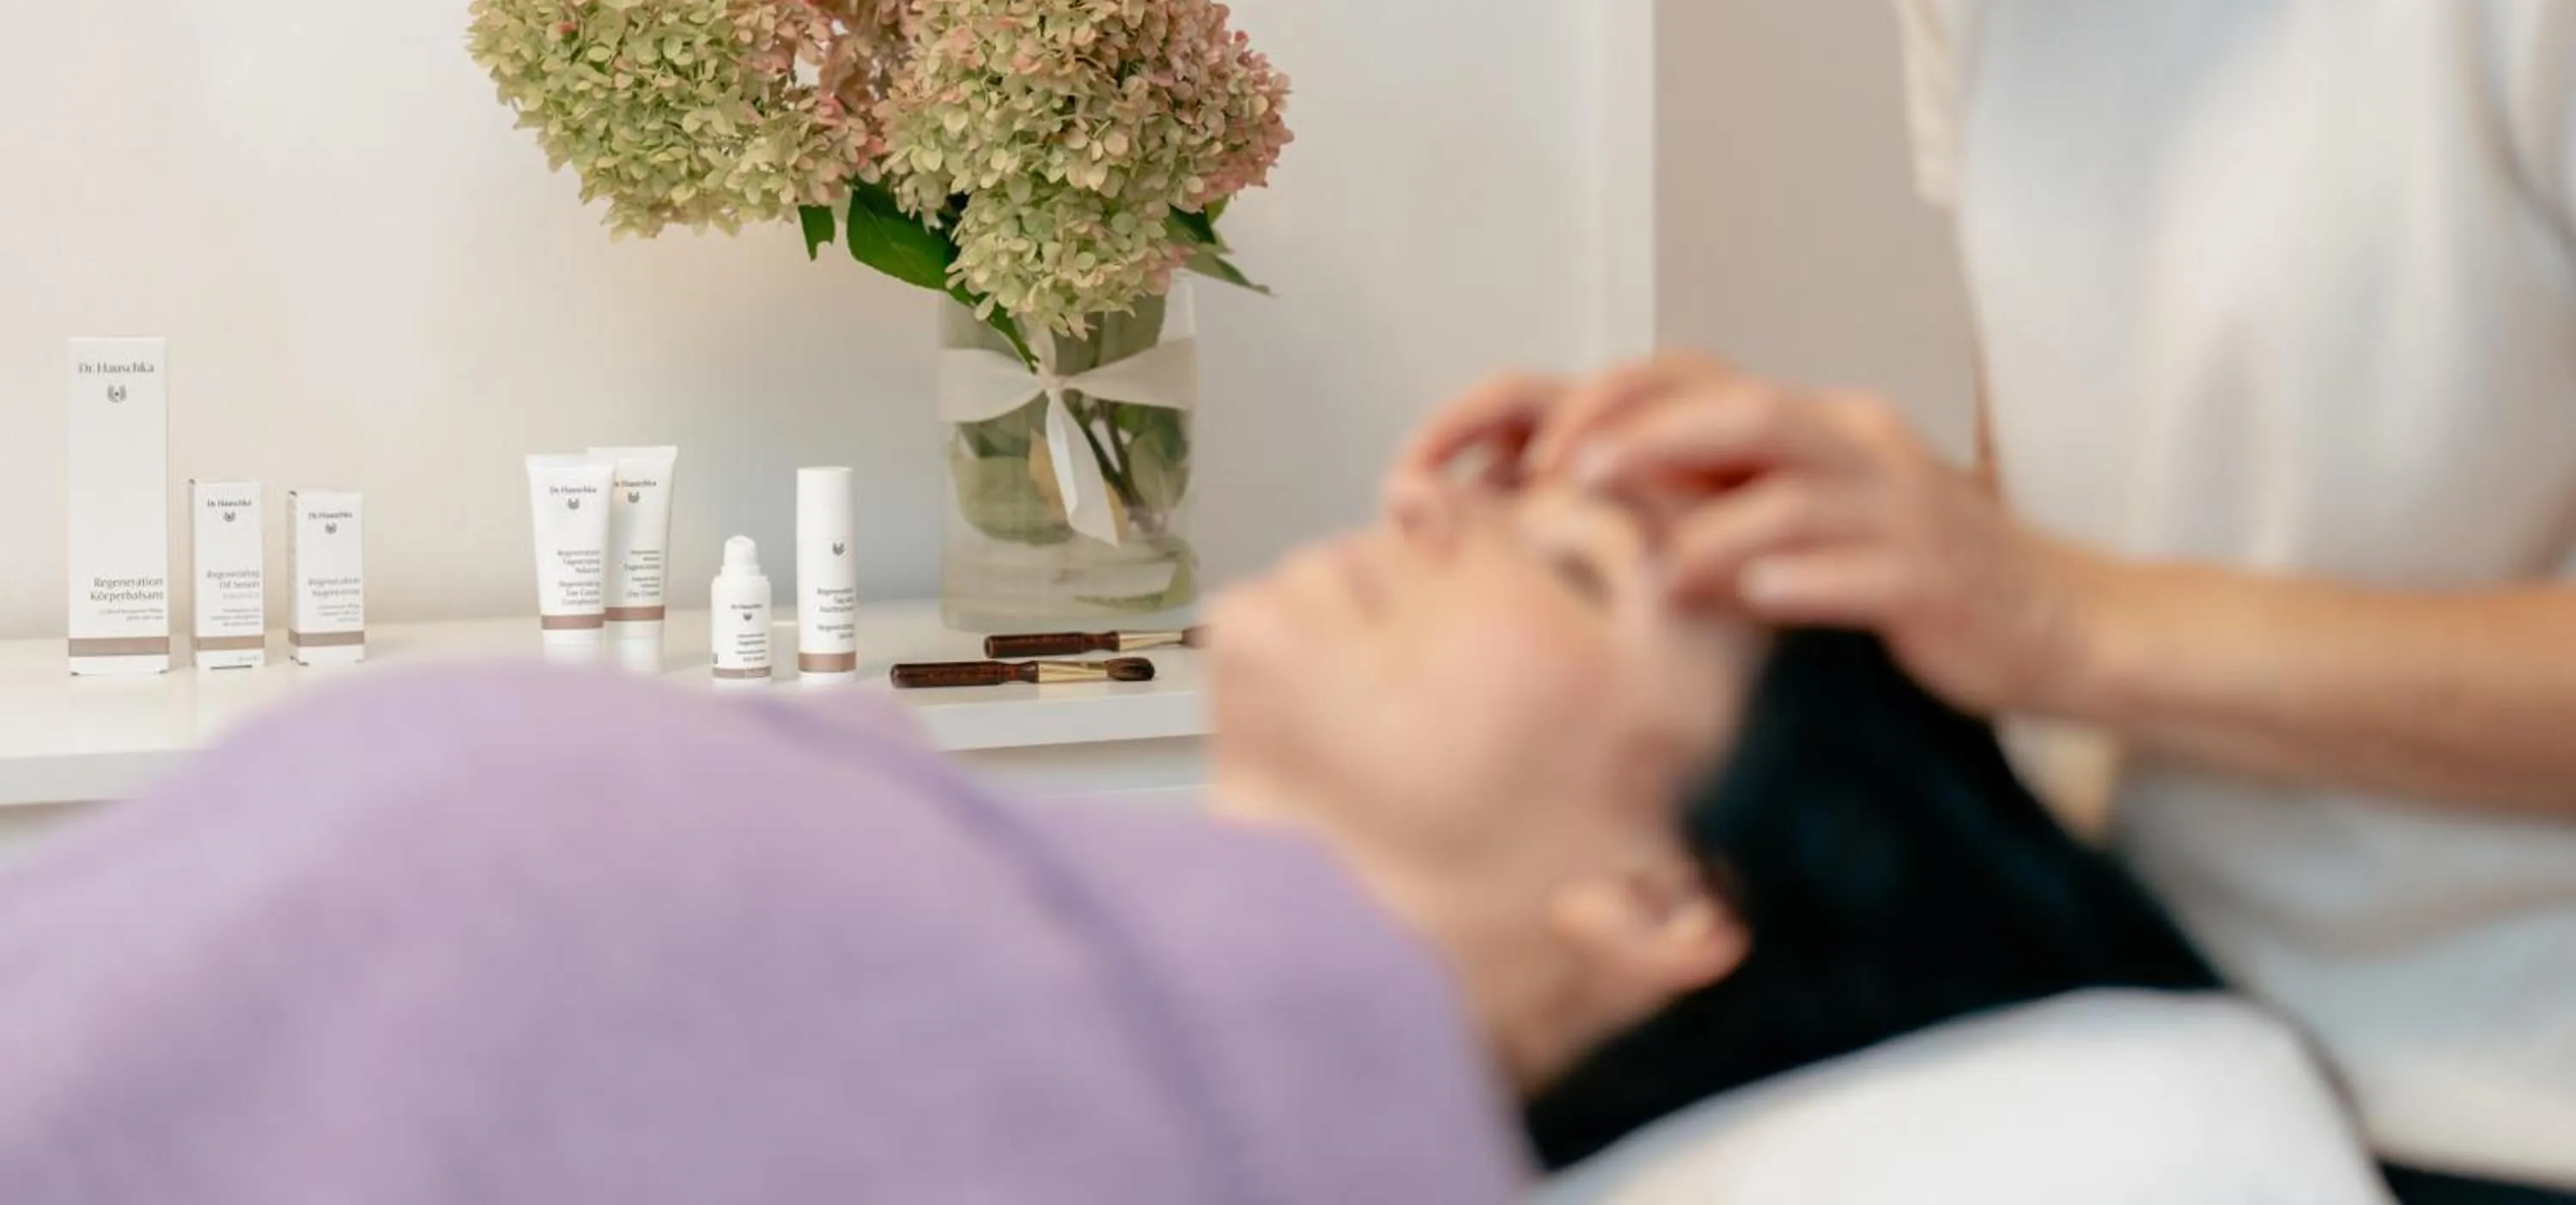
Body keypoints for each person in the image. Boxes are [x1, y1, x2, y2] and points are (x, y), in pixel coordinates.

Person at [1430, 0, 2576, 1196]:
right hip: (2196, 1071)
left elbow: (2076, 607)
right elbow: (2083, 526)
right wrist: (1772, 514)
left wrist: (2046, 615)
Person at [0, 489, 1753, 1204]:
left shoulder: (1127, 1104)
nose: (1442, 498)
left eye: (1581, 566)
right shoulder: (1005, 919)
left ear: (1661, 895)